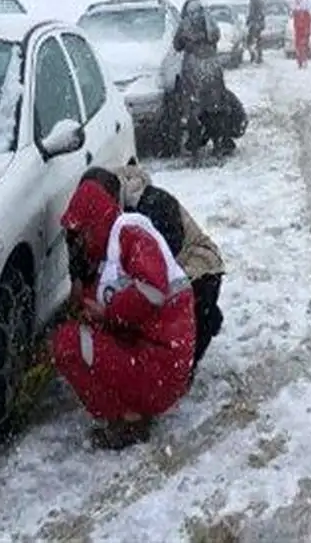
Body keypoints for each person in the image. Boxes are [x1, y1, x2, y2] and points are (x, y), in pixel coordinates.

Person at [50, 178, 196, 449]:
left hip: (159, 366)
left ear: (94, 224)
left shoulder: (130, 234)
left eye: (83, 232)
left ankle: (128, 420)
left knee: (68, 344)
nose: (81, 241)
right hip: (161, 364)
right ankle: (131, 411)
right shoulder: (114, 249)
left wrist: (108, 313)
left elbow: (152, 290)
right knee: (81, 336)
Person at [84, 164, 226, 377]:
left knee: (176, 363)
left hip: (199, 267)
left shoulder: (153, 205)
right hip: (177, 272)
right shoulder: (106, 204)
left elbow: (161, 266)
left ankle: (203, 319)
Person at [173, 0, 226, 156]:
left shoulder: (186, 24)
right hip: (210, 70)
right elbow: (216, 37)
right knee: (214, 109)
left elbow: (177, 45)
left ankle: (197, 148)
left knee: (194, 112)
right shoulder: (209, 22)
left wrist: (188, 40)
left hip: (194, 71)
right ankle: (216, 145)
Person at [291, 0, 311, 68]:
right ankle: (301, 58)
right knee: (301, 41)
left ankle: (303, 58)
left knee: (303, 41)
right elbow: (294, 9)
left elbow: (310, 10)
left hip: (303, 21)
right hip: (301, 21)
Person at [245, 0, 266, 64]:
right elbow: (262, 14)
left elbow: (253, 14)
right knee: (257, 41)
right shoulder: (259, 2)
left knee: (249, 42)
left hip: (254, 25)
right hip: (258, 24)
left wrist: (248, 20)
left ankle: (254, 55)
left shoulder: (253, 3)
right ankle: (258, 56)